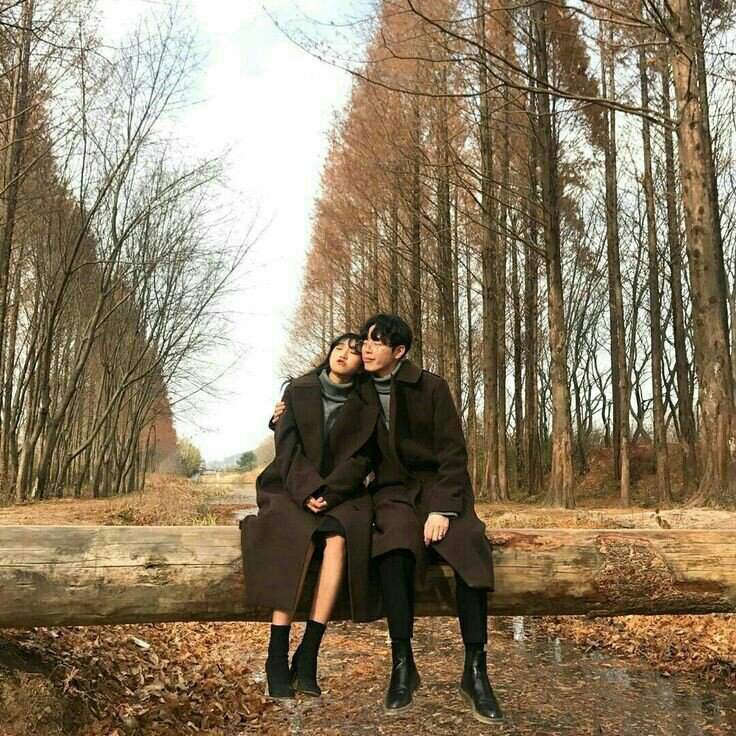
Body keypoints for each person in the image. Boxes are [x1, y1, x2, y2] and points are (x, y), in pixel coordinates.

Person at [360, 313, 502, 723]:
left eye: (377, 342)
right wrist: (280, 415)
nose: (366, 348)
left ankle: (475, 670)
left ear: (399, 351)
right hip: (392, 491)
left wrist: (443, 509)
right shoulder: (358, 389)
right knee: (393, 547)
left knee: (468, 545)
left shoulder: (431, 387)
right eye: (365, 340)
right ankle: (403, 665)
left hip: (441, 487)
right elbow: (318, 400)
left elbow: (453, 453)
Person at [240, 333, 379, 699]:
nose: (343, 355)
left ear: (362, 365)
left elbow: (364, 458)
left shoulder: (367, 403)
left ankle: (309, 655)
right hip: (290, 483)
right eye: (339, 348)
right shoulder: (298, 390)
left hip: (340, 491)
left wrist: (330, 494)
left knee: (339, 538)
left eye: (353, 352)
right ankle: (276, 658)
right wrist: (307, 492)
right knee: (292, 535)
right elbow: (287, 447)